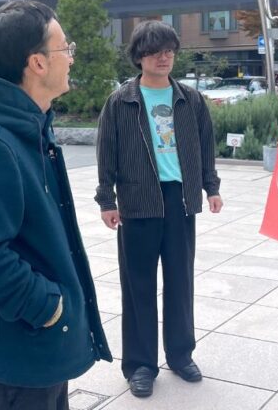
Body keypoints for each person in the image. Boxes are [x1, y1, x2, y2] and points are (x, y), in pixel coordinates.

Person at [0, 0, 111, 410]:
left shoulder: (30, 125)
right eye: (64, 48)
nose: (71, 57)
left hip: (36, 355)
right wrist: (47, 307)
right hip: (10, 368)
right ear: (36, 62)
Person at [95, 20, 222, 398]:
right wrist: (107, 199)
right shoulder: (122, 101)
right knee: (138, 286)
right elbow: (107, 152)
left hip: (180, 200)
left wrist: (211, 187)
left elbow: (206, 146)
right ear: (139, 57)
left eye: (168, 50)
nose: (163, 57)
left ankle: (181, 354)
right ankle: (140, 364)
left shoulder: (190, 99)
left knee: (181, 281)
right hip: (137, 201)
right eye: (154, 51)